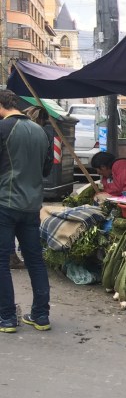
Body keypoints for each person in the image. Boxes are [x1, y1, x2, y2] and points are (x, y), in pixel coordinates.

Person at [0, 89, 52, 332]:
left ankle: (7, 318)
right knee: (35, 260)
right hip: (32, 206)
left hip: (5, 203)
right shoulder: (40, 131)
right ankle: (41, 316)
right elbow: (46, 170)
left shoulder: (4, 128)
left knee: (1, 261)